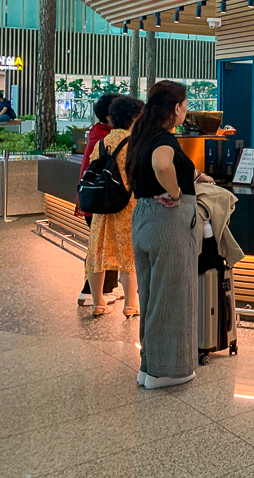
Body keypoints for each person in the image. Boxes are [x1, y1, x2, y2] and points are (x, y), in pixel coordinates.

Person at [127, 80, 214, 389]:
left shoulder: (141, 133)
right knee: (173, 295)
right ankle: (169, 371)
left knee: (151, 295)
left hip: (144, 218)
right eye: (186, 104)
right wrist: (175, 191)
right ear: (176, 108)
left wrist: (197, 175)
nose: (186, 110)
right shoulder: (163, 138)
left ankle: (149, 365)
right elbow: (163, 165)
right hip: (168, 221)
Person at [86, 96, 144, 317]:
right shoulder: (136, 143)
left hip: (103, 206)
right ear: (134, 118)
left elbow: (93, 166)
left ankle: (98, 302)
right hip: (128, 205)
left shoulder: (102, 141)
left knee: (98, 254)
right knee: (128, 256)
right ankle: (130, 304)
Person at [75, 92, 123, 307]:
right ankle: (89, 293)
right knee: (101, 248)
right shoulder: (107, 137)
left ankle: (105, 289)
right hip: (101, 200)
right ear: (111, 116)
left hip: (96, 198)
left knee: (105, 245)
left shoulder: (99, 133)